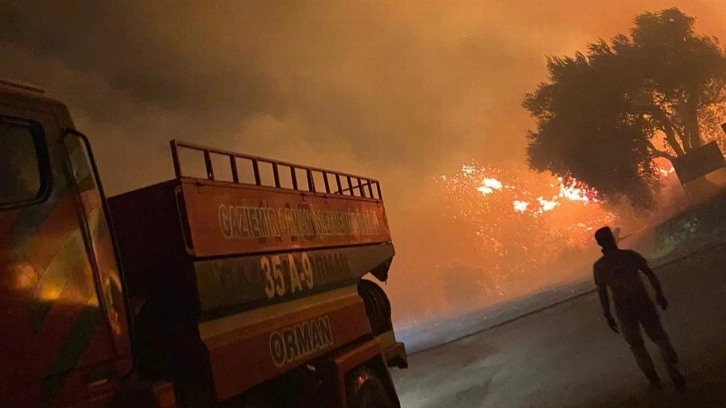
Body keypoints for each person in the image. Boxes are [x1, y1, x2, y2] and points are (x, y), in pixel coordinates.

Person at [592, 226, 686, 390]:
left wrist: (607, 314)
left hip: (623, 307)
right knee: (658, 336)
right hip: (642, 300)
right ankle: (672, 369)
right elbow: (649, 274)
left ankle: (654, 380)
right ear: (613, 239)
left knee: (636, 345)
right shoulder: (629, 256)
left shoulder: (600, 266)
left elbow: (603, 292)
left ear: (599, 244)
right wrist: (659, 293)